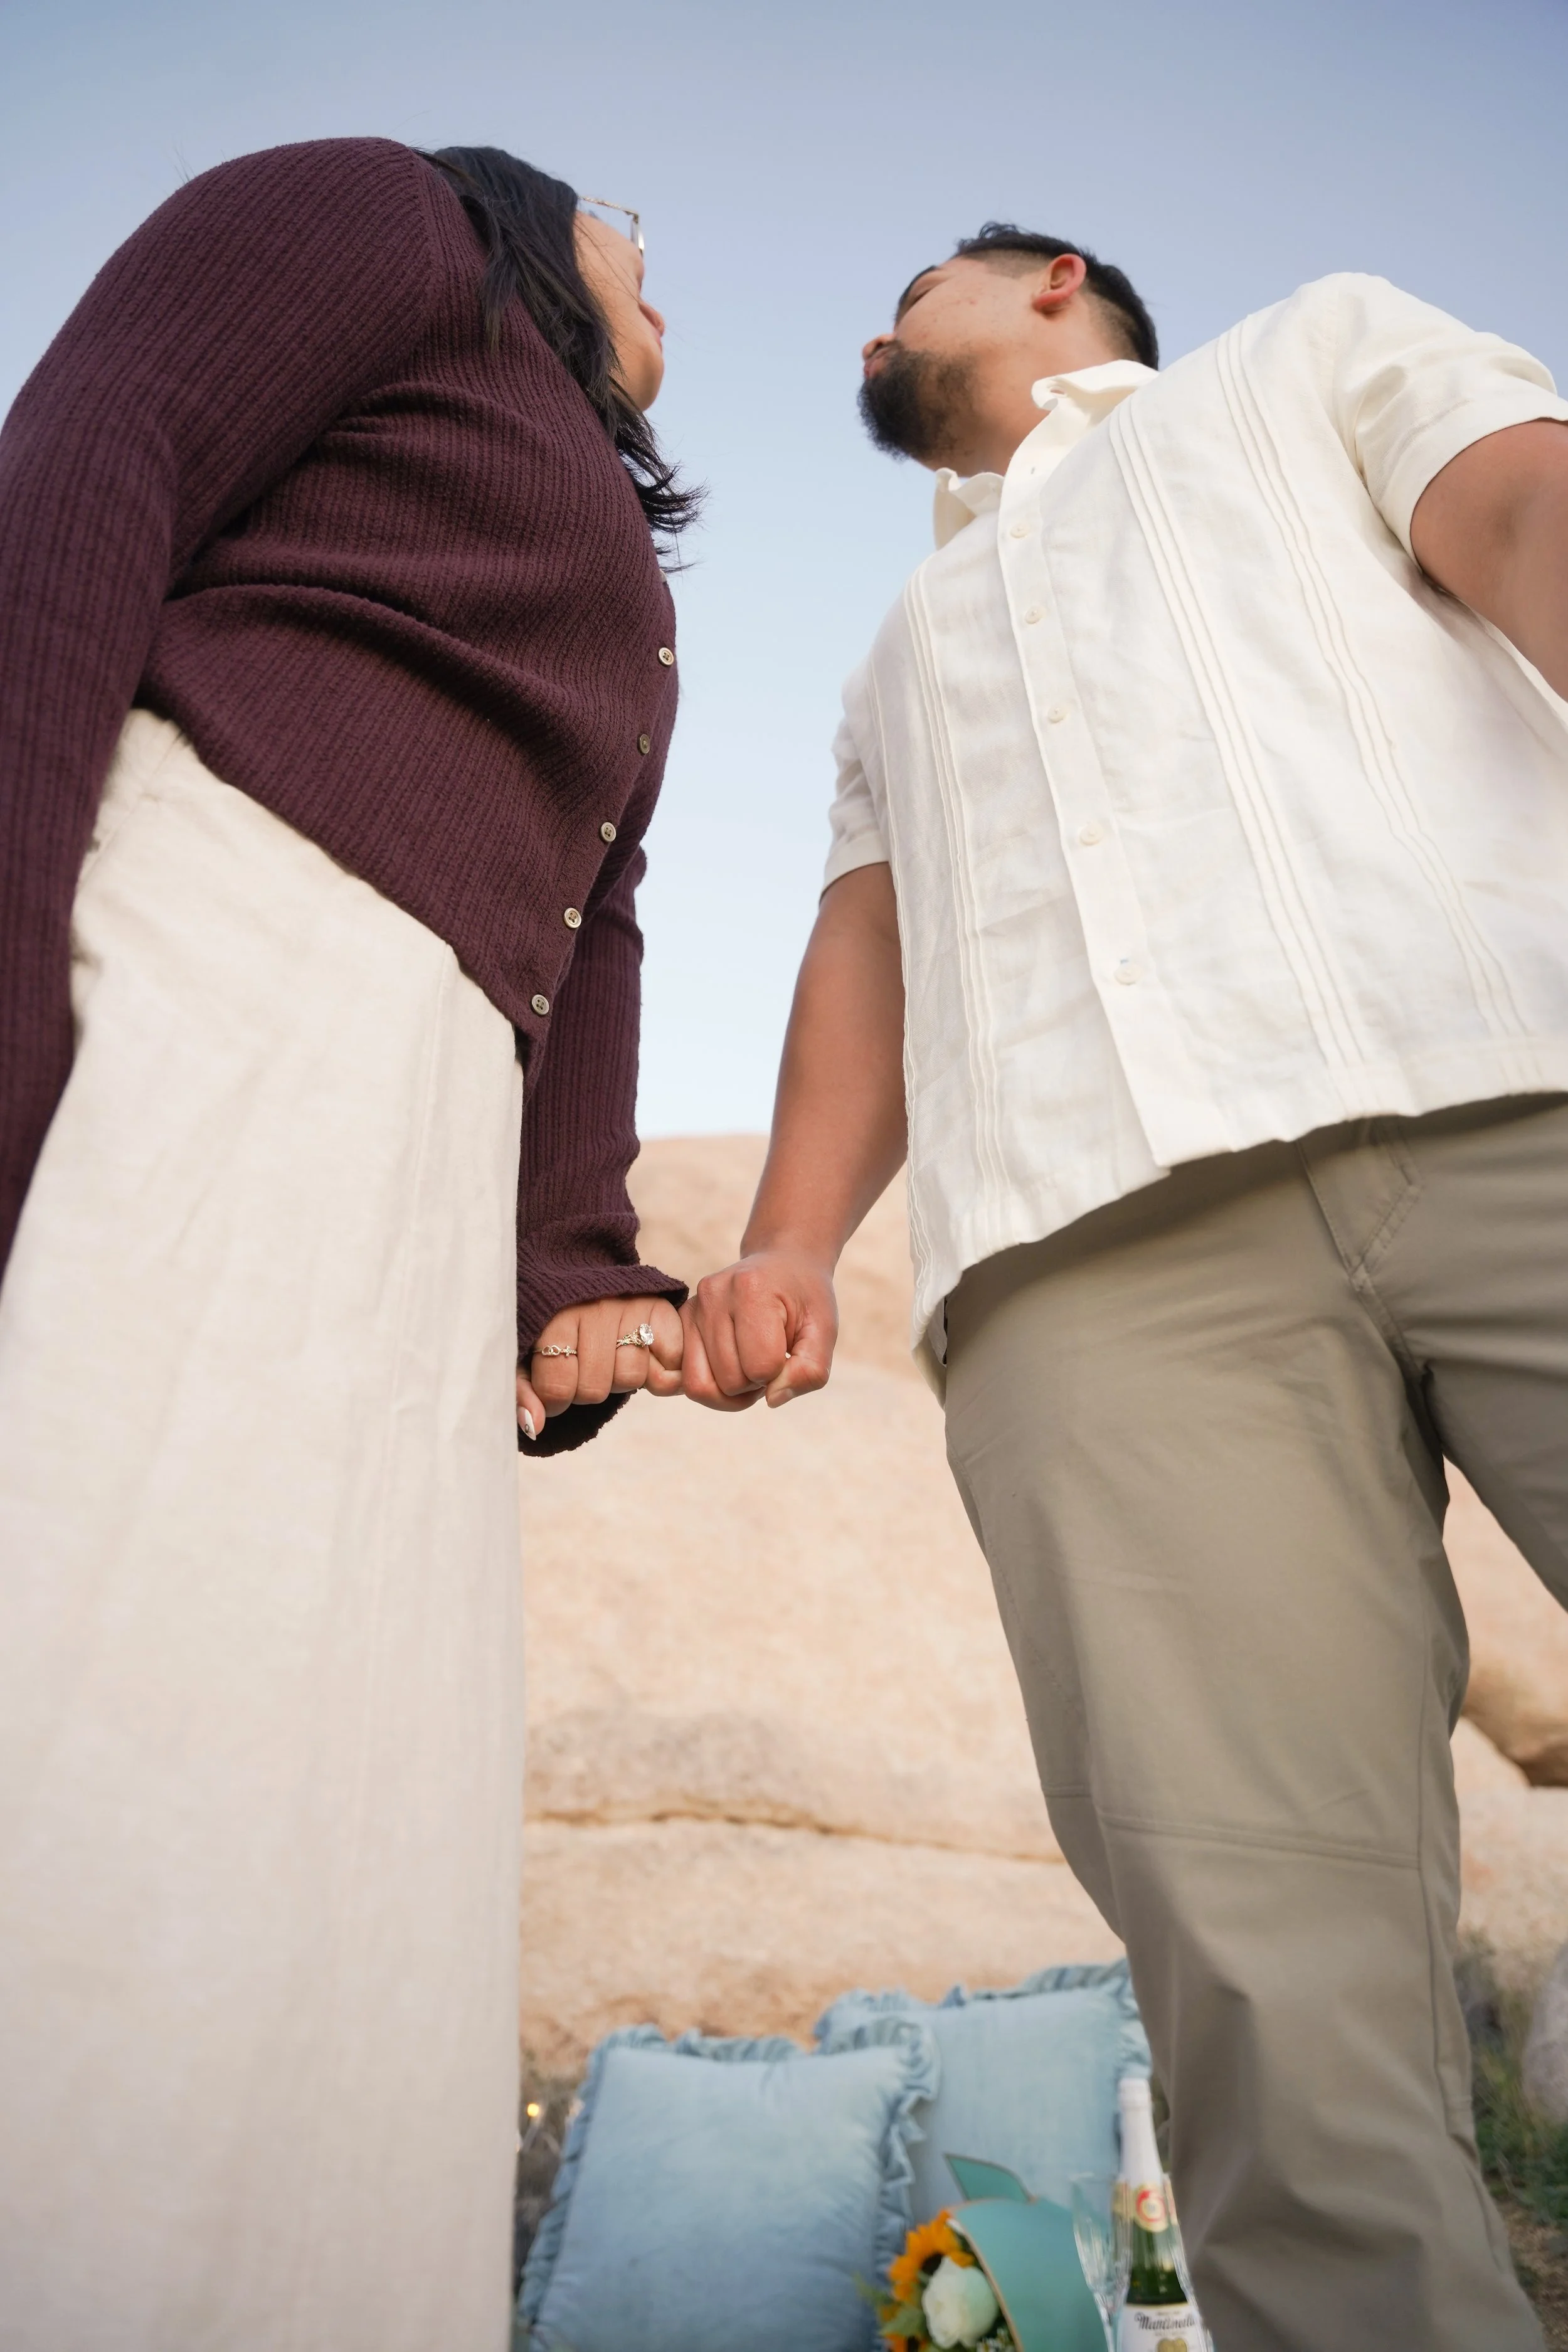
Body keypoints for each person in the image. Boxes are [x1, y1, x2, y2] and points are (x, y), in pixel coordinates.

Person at [684, 224, 1568, 2350]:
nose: (868, 323)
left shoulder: (1307, 356)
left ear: (1054, 279)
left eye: (907, 284)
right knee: (1265, 1974)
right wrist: (790, 1236)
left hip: (1511, 1081)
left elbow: (1524, 507)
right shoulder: (900, 636)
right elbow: (866, 940)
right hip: (1091, 1267)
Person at [0, 139, 689, 2349]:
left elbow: (598, 912)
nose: (669, 286)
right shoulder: (383, 215)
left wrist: (569, 1257)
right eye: (644, 238)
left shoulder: (608, 568)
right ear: (546, 224)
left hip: (403, 1128)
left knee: (330, 1826)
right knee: (112, 1698)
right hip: (211, 974)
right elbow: (92, 468)